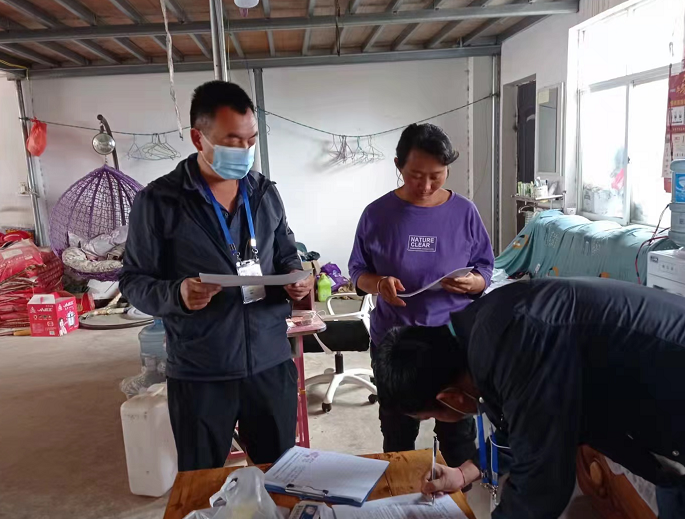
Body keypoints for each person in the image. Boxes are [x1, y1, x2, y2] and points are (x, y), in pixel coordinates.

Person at [120, 80, 313, 471]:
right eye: (232, 141)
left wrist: (296, 276)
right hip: (201, 371)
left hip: (270, 361)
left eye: (251, 139)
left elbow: (287, 253)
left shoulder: (264, 193)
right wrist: (177, 293)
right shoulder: (159, 202)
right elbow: (133, 282)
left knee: (280, 476)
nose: (245, 150)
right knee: (202, 480)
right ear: (199, 138)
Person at [374, 277, 685, 519]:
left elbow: (540, 485)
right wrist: (463, 472)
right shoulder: (481, 334)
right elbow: (526, 427)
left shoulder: (517, 342)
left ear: (450, 399)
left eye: (431, 416)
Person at [348, 123, 494, 469]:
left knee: (457, 434)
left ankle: (458, 489)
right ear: (398, 165)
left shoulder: (464, 212)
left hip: (451, 341)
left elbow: (485, 268)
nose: (426, 186)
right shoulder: (377, 214)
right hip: (395, 344)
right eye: (416, 175)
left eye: (436, 176)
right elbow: (357, 272)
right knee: (398, 430)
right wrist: (378, 284)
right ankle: (399, 492)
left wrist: (474, 283)